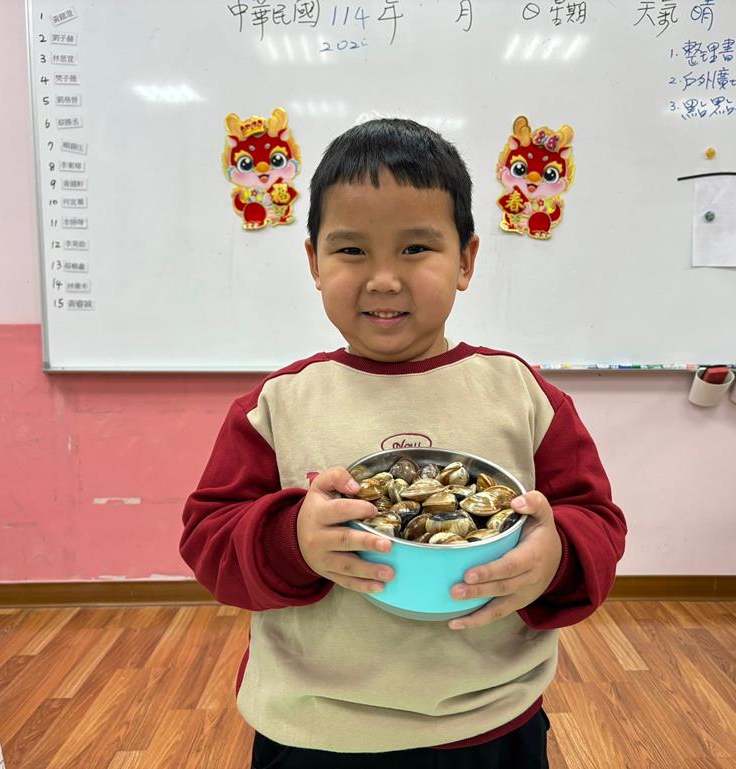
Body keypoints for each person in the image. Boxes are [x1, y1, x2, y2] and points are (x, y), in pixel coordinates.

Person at [180, 118, 626, 768]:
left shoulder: (522, 393)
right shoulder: (278, 404)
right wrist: (292, 539)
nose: (384, 279)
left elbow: (596, 521)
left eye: (416, 248)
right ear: (314, 262)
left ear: (466, 260)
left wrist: (557, 556)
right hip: (315, 728)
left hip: (489, 720)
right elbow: (208, 539)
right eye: (352, 250)